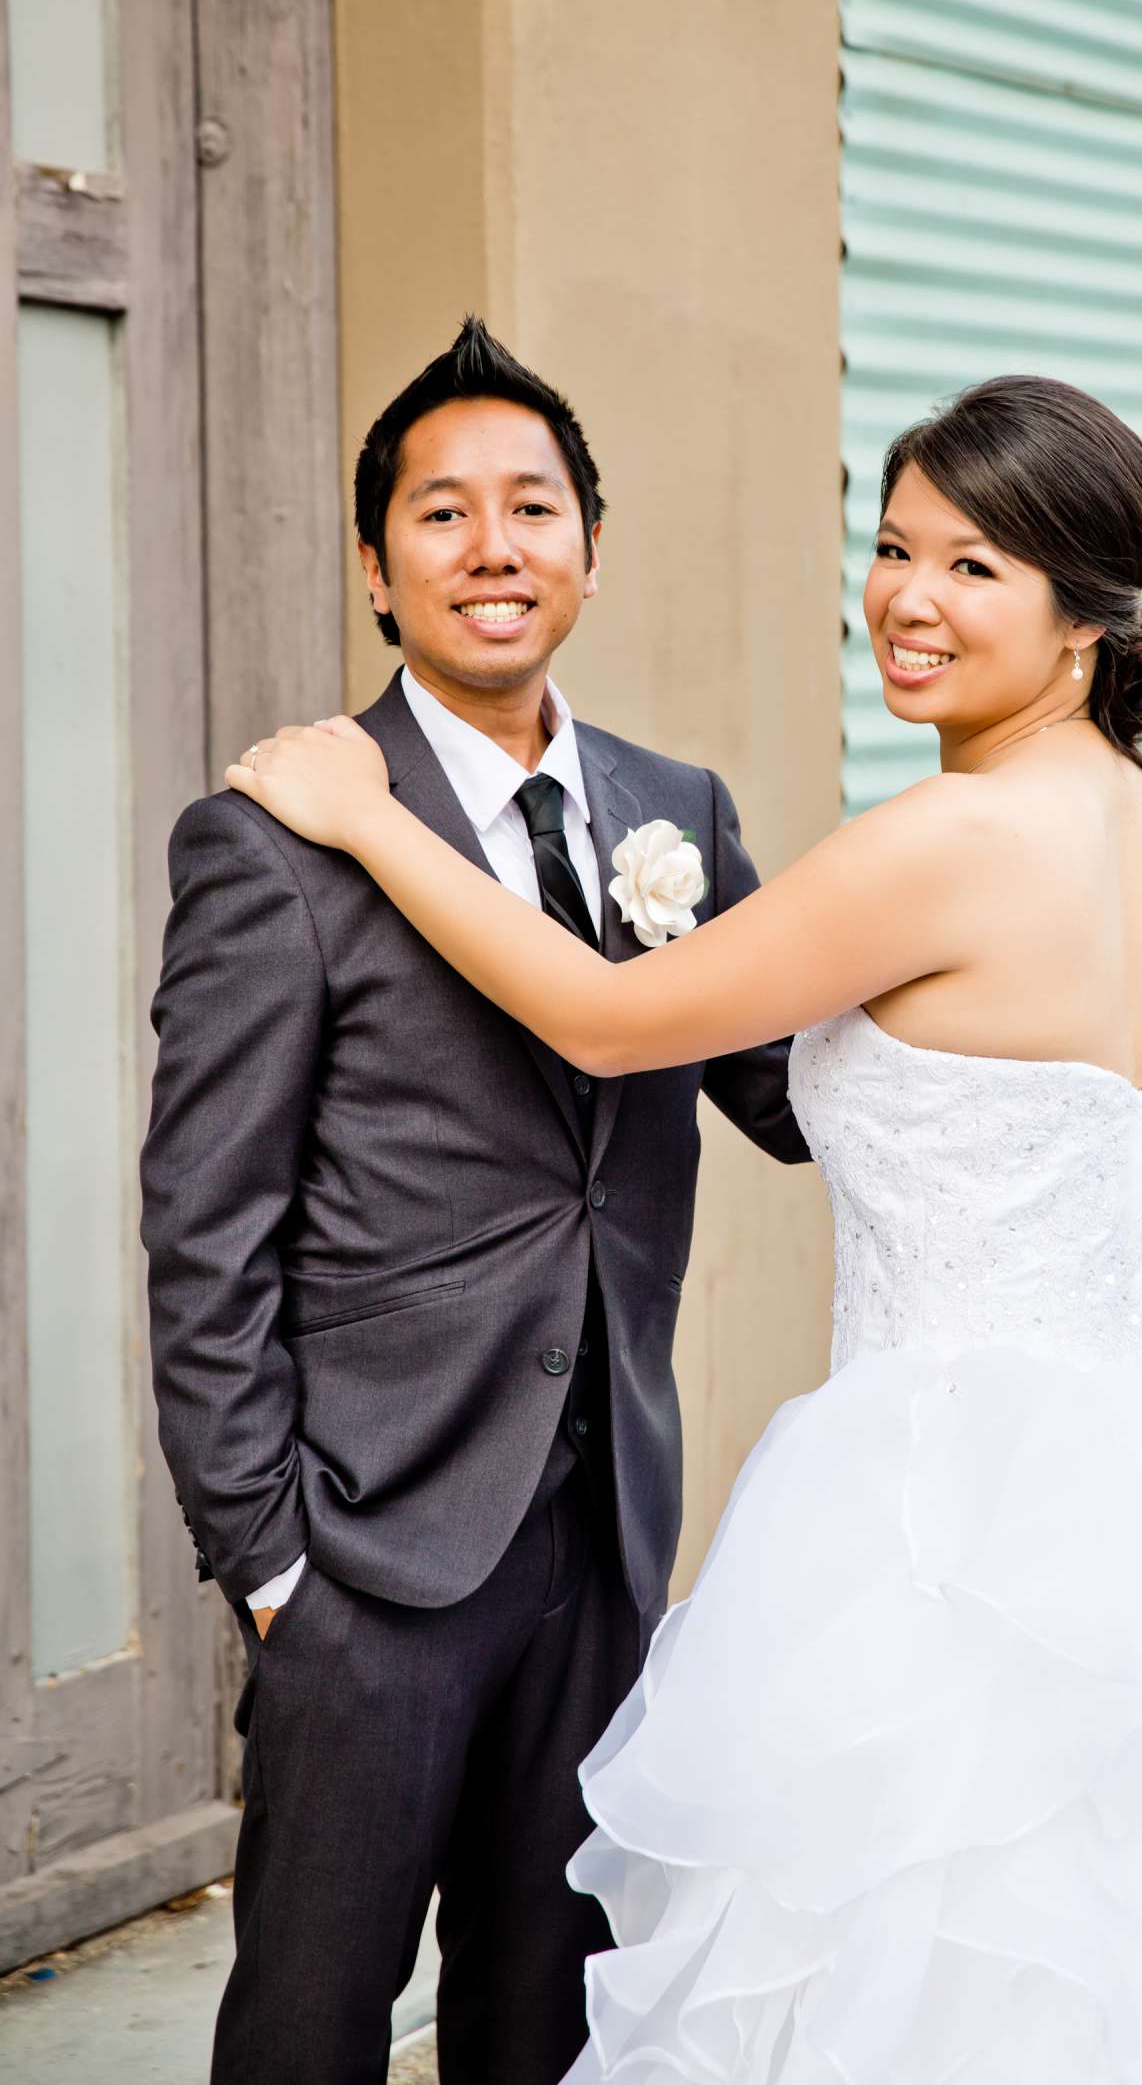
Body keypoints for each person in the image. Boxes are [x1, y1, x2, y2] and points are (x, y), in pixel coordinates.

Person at [231, 375, 1142, 2085]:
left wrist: (371, 814)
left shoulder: (938, 843)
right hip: (1141, 1480)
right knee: (1138, 1944)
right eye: (893, 549)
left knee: (917, 1946)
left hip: (937, 1504)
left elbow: (613, 1023)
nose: (907, 597)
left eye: (976, 567)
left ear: (1083, 618)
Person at [141, 318, 815, 2085]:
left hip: (605, 1539)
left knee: (554, 2013)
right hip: (370, 1555)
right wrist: (272, 1564)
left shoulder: (677, 814)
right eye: (442, 515)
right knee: (310, 2023)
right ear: (379, 567)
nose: (493, 547)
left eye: (534, 506)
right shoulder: (279, 836)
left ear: (591, 543)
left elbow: (795, 1095)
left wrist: (1068, 979)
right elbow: (204, 1235)